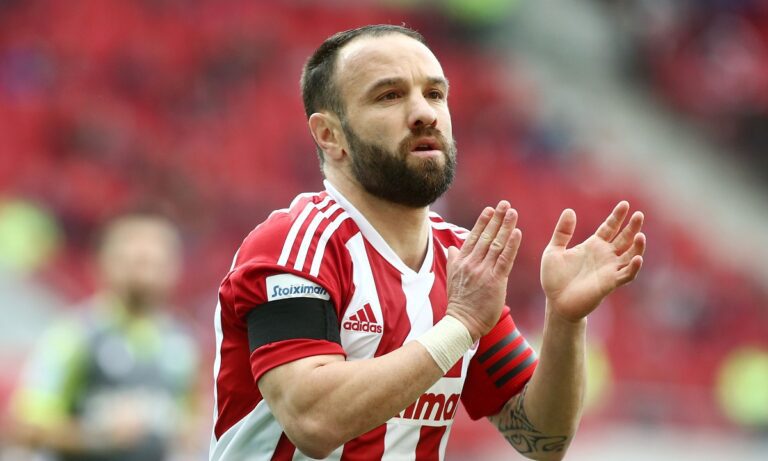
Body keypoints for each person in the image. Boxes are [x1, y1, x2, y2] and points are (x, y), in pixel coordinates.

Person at [209, 24, 646, 461]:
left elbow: (541, 438)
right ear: (329, 134)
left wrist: (565, 321)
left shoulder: (460, 260)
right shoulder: (294, 246)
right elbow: (314, 422)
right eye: (389, 96)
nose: (424, 113)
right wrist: (460, 325)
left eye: (435, 94)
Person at [9, 214, 201, 461]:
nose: (144, 272)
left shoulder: (184, 345)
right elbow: (27, 425)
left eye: (155, 261)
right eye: (134, 259)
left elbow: (191, 425)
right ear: (103, 262)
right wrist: (98, 436)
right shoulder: (74, 335)